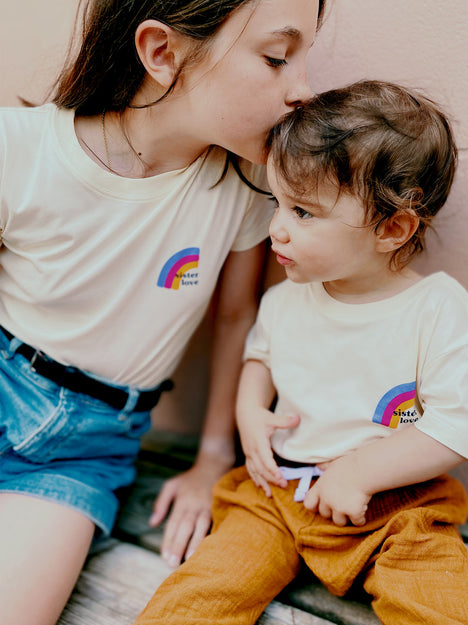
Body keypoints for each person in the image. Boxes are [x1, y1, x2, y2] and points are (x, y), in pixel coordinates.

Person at [0, 0, 327, 623]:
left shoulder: (246, 187)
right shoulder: (18, 149)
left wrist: (212, 458)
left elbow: (236, 318)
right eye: (278, 58)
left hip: (84, 448)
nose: (303, 89)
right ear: (161, 52)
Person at [133, 80, 468, 625]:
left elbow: (455, 426)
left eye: (303, 212)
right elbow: (260, 359)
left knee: (440, 602)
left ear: (392, 228)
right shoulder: (287, 299)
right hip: (278, 495)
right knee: (205, 590)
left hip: (397, 510)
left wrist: (361, 473)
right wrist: (249, 414)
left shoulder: (437, 309)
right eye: (277, 201)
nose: (277, 226)